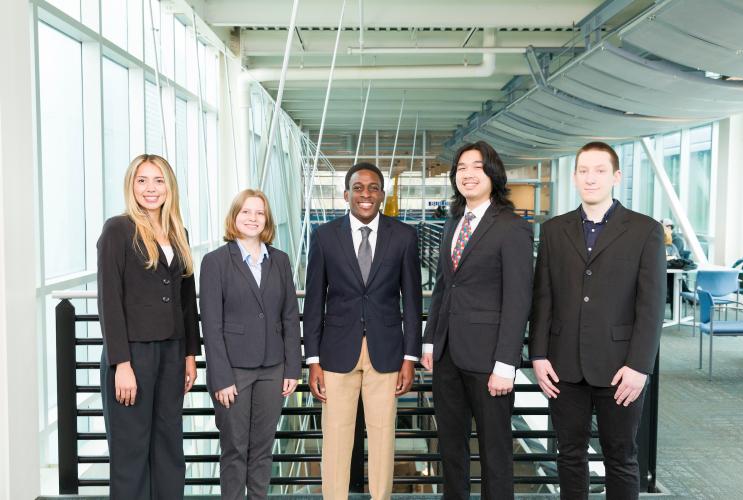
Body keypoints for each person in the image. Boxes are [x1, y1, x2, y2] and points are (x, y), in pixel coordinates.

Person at [530, 142, 666, 500]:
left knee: (620, 457)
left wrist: (639, 366)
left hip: (621, 367)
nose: (591, 178)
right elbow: (543, 297)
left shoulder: (645, 231)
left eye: (600, 170)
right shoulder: (554, 230)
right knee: (569, 455)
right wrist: (538, 354)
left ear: (616, 177)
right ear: (574, 176)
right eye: (584, 171)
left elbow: (651, 306)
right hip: (563, 366)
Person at [303, 162, 422, 500]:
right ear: (346, 194)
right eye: (358, 187)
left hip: (386, 354)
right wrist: (313, 360)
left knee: (383, 436)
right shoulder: (325, 236)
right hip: (336, 353)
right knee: (336, 437)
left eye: (372, 188)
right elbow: (314, 302)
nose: (365, 194)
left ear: (382, 195)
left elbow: (412, 301)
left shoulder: (404, 236)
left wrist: (410, 357)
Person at [421, 141, 534, 500]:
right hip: (447, 355)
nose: (467, 174)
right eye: (461, 168)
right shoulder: (454, 222)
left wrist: (506, 363)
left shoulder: (511, 227)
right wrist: (429, 341)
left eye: (476, 166)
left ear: (492, 174)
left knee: (495, 452)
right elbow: (443, 286)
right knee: (451, 449)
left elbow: (518, 301)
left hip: (489, 361)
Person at [97, 154, 201, 499]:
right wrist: (120, 364)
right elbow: (109, 300)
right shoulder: (118, 229)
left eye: (158, 180)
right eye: (142, 180)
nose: (150, 188)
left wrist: (190, 355)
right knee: (131, 450)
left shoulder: (178, 233)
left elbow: (187, 301)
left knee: (169, 445)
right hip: (133, 355)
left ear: (169, 186)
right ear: (131, 185)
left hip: (172, 352)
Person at [200, 189, 301, 499]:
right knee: (234, 449)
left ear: (266, 219)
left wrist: (292, 369)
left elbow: (289, 317)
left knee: (262, 449)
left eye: (259, 213)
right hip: (234, 372)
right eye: (246, 212)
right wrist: (221, 377)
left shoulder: (280, 261)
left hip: (273, 369)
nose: (253, 218)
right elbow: (211, 326)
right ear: (235, 216)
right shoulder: (215, 261)